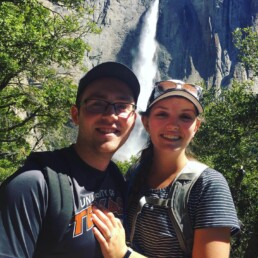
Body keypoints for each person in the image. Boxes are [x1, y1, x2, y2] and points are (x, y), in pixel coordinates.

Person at [0, 61, 140, 258]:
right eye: (97, 104)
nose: (110, 115)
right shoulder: (33, 185)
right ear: (76, 115)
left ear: (133, 120)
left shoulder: (119, 180)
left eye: (122, 105)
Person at [91, 79, 241, 258]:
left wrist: (124, 255)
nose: (173, 125)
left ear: (196, 127)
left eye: (185, 117)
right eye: (162, 114)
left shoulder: (209, 186)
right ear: (146, 123)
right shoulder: (135, 173)